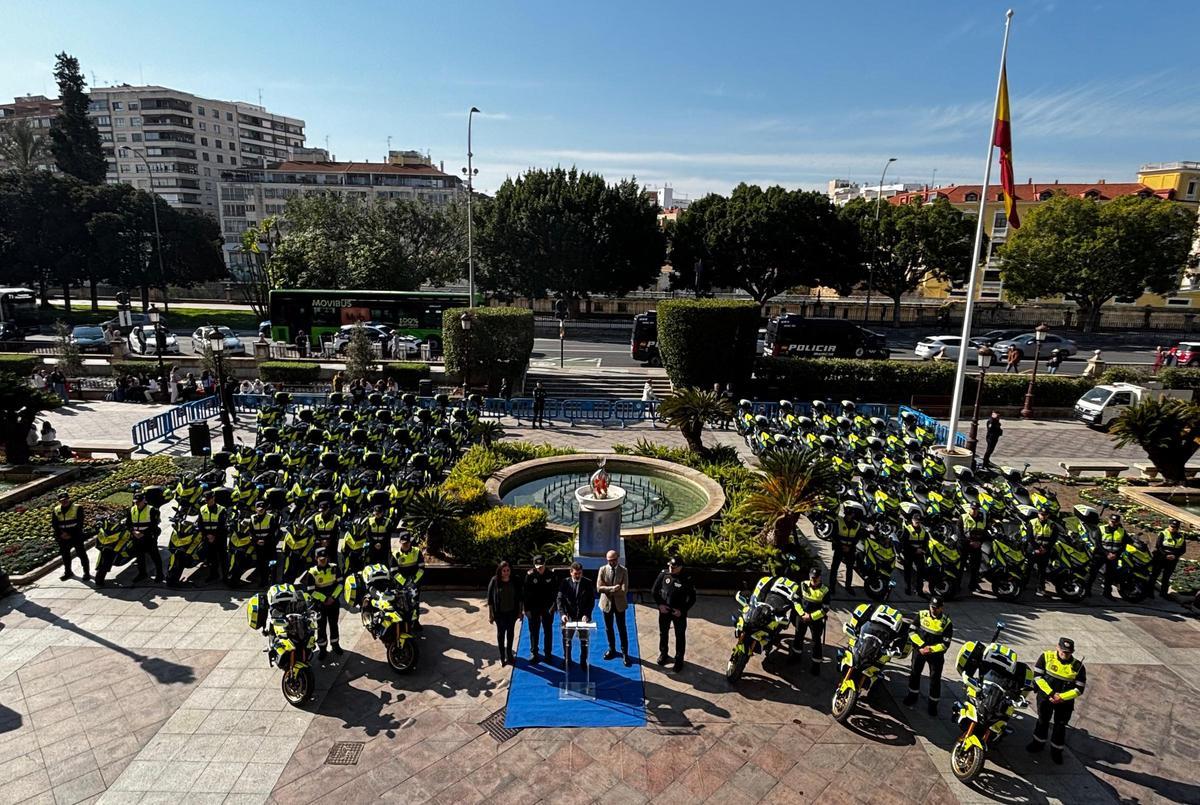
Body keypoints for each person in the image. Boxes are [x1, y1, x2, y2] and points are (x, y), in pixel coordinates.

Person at [1028, 637, 1087, 765]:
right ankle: (1037, 744)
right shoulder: (1046, 656)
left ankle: (1056, 752)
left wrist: (1061, 697)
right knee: (1042, 721)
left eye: (1068, 652)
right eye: (1063, 651)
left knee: (1060, 726)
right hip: (1045, 697)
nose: (1065, 654)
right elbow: (1037, 677)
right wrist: (1051, 693)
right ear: (1057, 647)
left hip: (1064, 702)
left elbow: (1079, 689)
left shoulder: (1078, 667)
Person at [904, 595, 954, 715]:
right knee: (915, 673)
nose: (934, 609)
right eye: (932, 606)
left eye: (936, 607)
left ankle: (933, 705)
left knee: (935, 679)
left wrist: (930, 649)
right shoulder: (921, 615)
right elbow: (911, 631)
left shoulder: (946, 623)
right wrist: (921, 646)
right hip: (919, 651)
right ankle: (912, 696)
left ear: (942, 608)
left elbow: (945, 644)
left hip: (935, 655)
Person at [651, 555, 695, 672]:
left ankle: (679, 660)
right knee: (663, 633)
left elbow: (692, 598)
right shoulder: (664, 574)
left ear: (680, 567)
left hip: (678, 613)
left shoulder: (687, 578)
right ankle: (663, 653)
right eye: (670, 565)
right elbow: (654, 591)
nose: (671, 568)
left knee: (680, 636)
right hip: (665, 611)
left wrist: (682, 610)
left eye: (674, 567)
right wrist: (660, 605)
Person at [299, 547, 344, 658]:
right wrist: (324, 599)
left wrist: (333, 597)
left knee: (334, 625)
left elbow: (340, 584)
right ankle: (322, 649)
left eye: (324, 558)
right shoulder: (312, 572)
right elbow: (310, 590)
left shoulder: (334, 568)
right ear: (316, 558)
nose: (323, 560)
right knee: (321, 627)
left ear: (327, 558)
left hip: (333, 603)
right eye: (320, 559)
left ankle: (335, 645)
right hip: (320, 605)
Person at [557, 561, 596, 672]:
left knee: (584, 641)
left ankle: (583, 661)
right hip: (569, 617)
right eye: (576, 573)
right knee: (567, 641)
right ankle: (567, 660)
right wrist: (563, 614)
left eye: (580, 573)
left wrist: (587, 615)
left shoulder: (587, 583)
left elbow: (591, 601)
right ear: (571, 572)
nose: (578, 575)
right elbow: (560, 599)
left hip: (583, 618)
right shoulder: (565, 583)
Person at [596, 549, 631, 666]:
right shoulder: (602, 569)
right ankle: (612, 649)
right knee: (608, 628)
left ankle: (625, 653)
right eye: (609, 560)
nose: (611, 562)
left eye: (613, 560)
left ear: (617, 559)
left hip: (620, 604)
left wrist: (607, 590)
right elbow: (598, 588)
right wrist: (612, 588)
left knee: (622, 629)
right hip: (606, 604)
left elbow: (624, 590)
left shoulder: (624, 571)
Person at [486, 560, 524, 666]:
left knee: (510, 634)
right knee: (501, 635)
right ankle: (502, 656)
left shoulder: (515, 580)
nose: (506, 572)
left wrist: (520, 612)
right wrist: (491, 615)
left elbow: (520, 597)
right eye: (504, 571)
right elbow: (490, 600)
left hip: (512, 613)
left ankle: (510, 655)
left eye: (508, 570)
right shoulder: (494, 581)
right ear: (500, 571)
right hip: (500, 615)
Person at [524, 554, 558, 664]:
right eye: (537, 565)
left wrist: (554, 606)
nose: (540, 568)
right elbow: (525, 593)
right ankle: (534, 652)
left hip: (547, 608)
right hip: (534, 608)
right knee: (534, 630)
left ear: (545, 564)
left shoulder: (551, 575)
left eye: (542, 565)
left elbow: (555, 592)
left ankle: (548, 653)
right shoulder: (530, 575)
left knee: (548, 630)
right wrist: (526, 609)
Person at [797, 566, 830, 675]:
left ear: (820, 578)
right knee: (798, 636)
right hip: (802, 616)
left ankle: (816, 665)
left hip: (815, 620)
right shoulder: (802, 585)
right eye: (812, 578)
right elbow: (795, 600)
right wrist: (802, 613)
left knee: (816, 642)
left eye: (816, 578)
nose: (814, 580)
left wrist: (810, 617)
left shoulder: (825, 590)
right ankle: (796, 656)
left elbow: (825, 609)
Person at [51, 491, 90, 582]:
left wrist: (70, 535)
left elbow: (80, 523)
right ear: (59, 501)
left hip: (76, 535)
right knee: (65, 556)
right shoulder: (56, 509)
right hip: (62, 537)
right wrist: (61, 534)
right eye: (62, 500)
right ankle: (68, 572)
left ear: (69, 499)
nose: (64, 502)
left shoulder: (77, 508)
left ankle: (86, 573)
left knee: (81, 554)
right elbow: (54, 524)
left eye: (65, 500)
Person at [128, 490, 164, 584]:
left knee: (155, 556)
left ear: (144, 500)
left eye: (139, 502)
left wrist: (143, 533)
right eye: (135, 502)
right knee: (140, 557)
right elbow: (128, 523)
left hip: (148, 537)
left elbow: (154, 525)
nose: (137, 504)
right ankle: (142, 574)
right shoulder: (132, 509)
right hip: (137, 537)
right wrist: (133, 531)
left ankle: (160, 574)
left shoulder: (152, 510)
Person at [1087, 512, 1126, 598]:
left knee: (1110, 576)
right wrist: (1107, 553)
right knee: (1093, 573)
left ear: (1119, 522)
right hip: (1101, 554)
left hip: (1114, 556)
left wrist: (1116, 554)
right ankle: (1087, 590)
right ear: (1109, 521)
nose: (1113, 523)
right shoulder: (1101, 529)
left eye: (1115, 522)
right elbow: (1098, 543)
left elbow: (1124, 544)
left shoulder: (1122, 531)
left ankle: (1107, 593)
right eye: (1112, 521)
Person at [391, 531, 425, 628]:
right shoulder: (395, 555)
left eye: (407, 542)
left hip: (415, 583)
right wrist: (405, 582)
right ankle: (402, 624)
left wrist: (414, 582)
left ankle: (415, 622)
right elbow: (394, 572)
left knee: (415, 604)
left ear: (410, 542)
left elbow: (421, 569)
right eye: (403, 543)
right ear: (400, 542)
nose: (406, 544)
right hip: (401, 585)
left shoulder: (417, 552)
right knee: (401, 604)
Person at [196, 488, 229, 584]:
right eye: (205, 499)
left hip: (219, 538)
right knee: (211, 558)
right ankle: (213, 575)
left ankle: (225, 577)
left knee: (223, 558)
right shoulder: (202, 509)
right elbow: (200, 524)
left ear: (213, 498)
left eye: (208, 499)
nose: (207, 501)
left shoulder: (221, 510)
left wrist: (214, 536)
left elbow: (222, 525)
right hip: (208, 538)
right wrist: (207, 536)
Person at [246, 499, 279, 588]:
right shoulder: (252, 518)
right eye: (259, 508)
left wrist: (265, 540)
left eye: (262, 508)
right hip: (258, 545)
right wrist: (257, 540)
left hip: (269, 544)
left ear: (265, 509)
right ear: (255, 509)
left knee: (272, 563)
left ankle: (273, 582)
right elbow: (251, 532)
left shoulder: (270, 517)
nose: (261, 510)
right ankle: (263, 581)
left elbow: (273, 531)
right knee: (261, 564)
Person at [830, 502, 862, 592]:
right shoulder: (838, 521)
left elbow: (857, 538)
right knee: (834, 568)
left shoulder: (857, 525)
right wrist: (841, 546)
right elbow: (834, 536)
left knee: (850, 568)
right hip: (839, 548)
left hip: (850, 549)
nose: (849, 516)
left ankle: (848, 586)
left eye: (850, 514)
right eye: (847, 514)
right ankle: (832, 587)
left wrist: (850, 547)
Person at [1152, 518, 1185, 599]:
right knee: (1154, 575)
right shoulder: (1163, 534)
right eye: (1172, 526)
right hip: (1160, 558)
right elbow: (1159, 546)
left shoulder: (1181, 536)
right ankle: (1149, 592)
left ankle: (1163, 593)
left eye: (1175, 527)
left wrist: (1175, 556)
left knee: (1166, 577)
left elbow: (1183, 549)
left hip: (1172, 560)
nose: (1173, 528)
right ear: (1169, 526)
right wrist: (1165, 555)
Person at [961, 502, 988, 592]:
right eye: (973, 509)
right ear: (970, 508)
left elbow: (985, 533)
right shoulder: (963, 517)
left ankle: (973, 585)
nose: (974, 511)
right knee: (960, 566)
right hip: (965, 546)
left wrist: (980, 542)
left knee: (975, 567)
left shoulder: (982, 520)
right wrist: (969, 542)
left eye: (976, 509)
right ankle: (957, 585)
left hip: (976, 546)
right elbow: (959, 534)